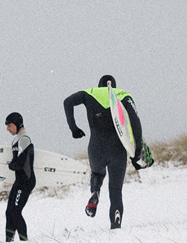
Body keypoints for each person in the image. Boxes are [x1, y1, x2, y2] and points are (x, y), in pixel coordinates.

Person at [63, 75, 149, 229]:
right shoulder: (123, 95)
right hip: (117, 149)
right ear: (114, 86)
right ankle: (115, 223)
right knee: (115, 190)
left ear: (99, 85)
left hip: (96, 147)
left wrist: (74, 128)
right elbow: (135, 122)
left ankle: (95, 191)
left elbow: (67, 102)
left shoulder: (89, 93)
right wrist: (137, 150)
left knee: (97, 174)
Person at [4, 112, 35, 242]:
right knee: (9, 212)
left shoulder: (24, 139)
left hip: (26, 180)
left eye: (10, 126)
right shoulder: (17, 139)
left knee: (15, 212)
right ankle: (8, 241)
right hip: (20, 180)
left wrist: (12, 165)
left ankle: (24, 242)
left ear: (18, 124)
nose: (7, 129)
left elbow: (21, 161)